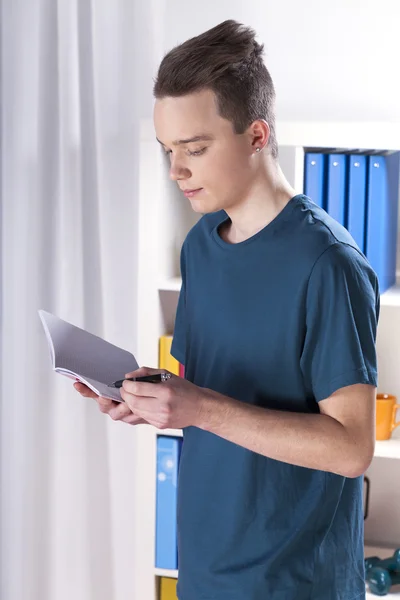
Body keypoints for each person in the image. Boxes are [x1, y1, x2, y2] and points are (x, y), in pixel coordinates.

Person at [75, 19, 379, 600]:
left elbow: (351, 448)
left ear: (258, 134)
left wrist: (201, 407)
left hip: (294, 583)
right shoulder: (201, 246)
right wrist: (150, 400)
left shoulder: (329, 264)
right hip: (207, 566)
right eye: (168, 150)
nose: (175, 171)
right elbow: (209, 394)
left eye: (195, 148)